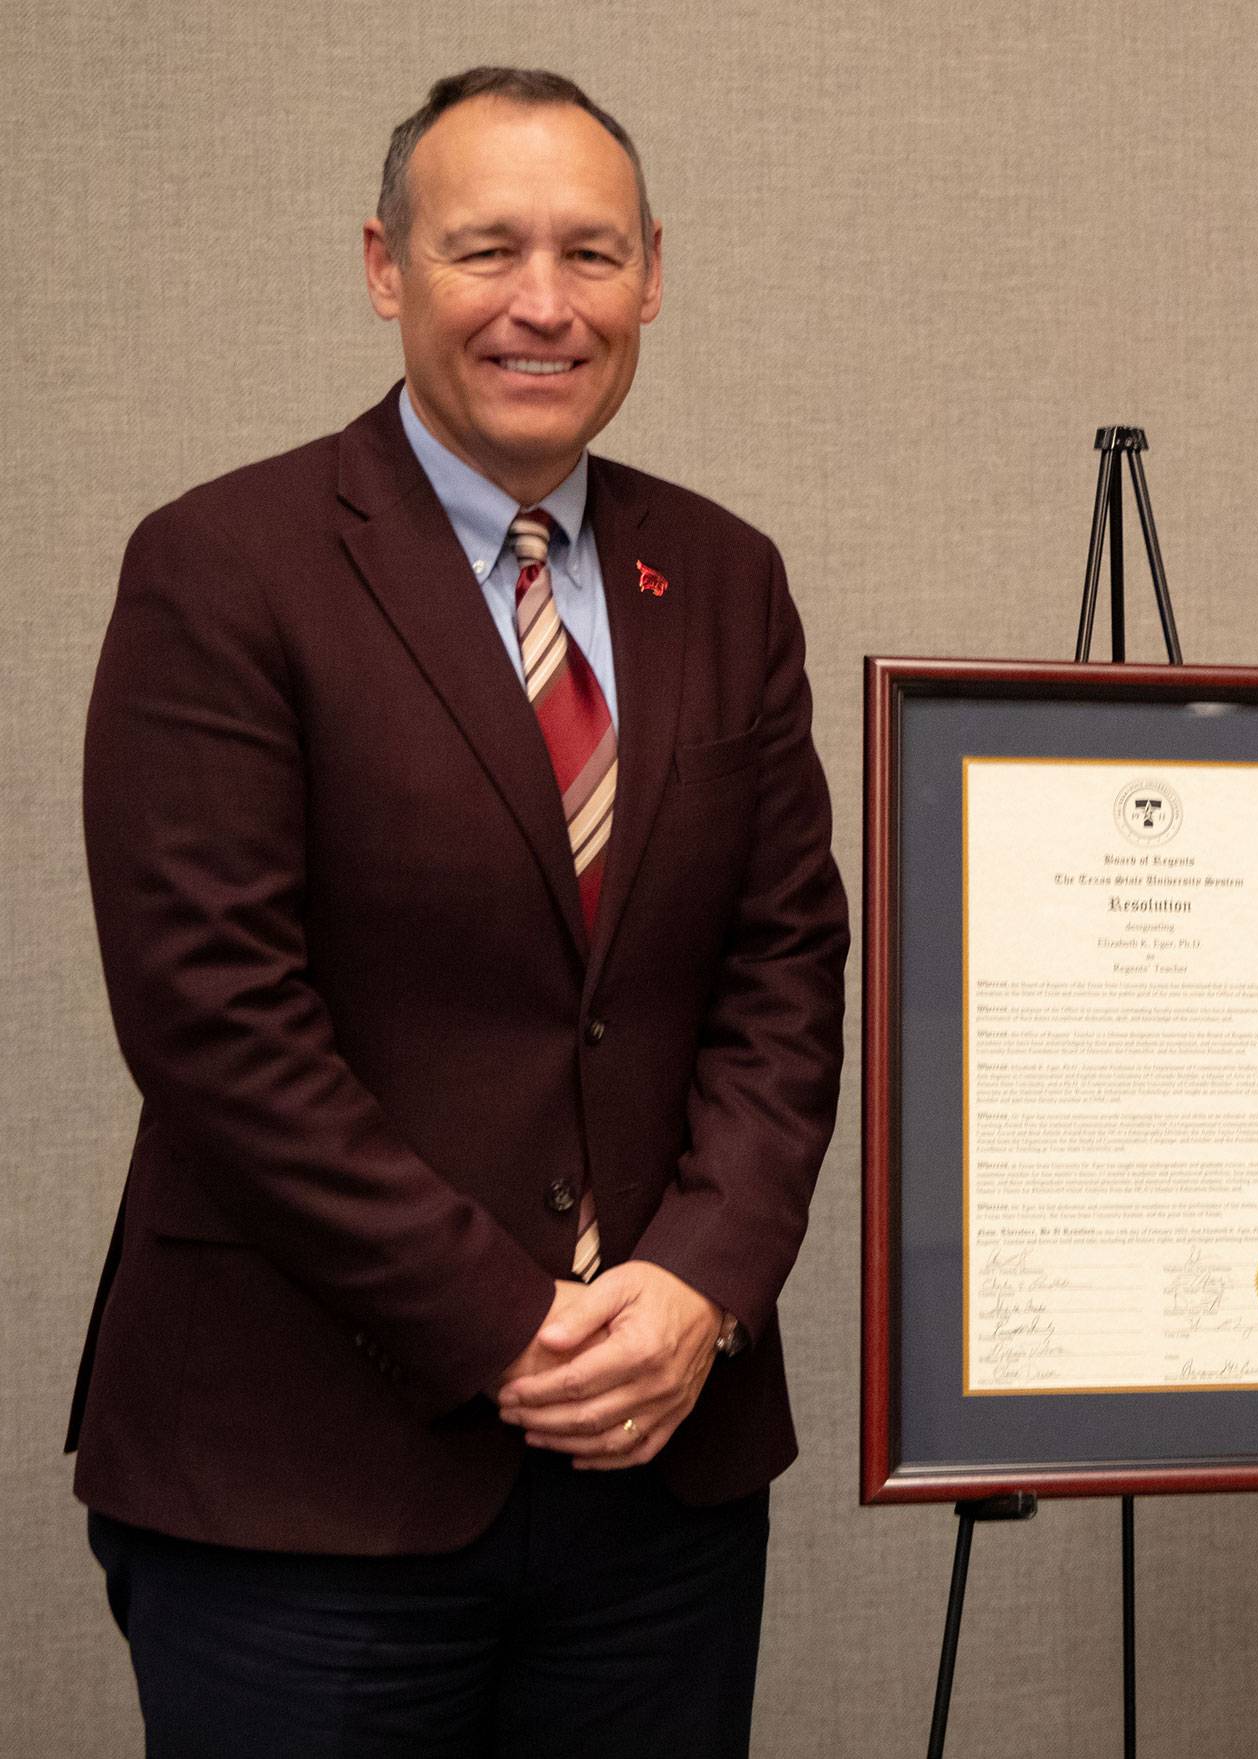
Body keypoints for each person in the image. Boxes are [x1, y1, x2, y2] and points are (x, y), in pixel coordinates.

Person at [69, 67, 848, 1757]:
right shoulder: (227, 564)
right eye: (487, 250)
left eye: (592, 253)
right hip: (304, 1481)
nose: (543, 305)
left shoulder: (724, 576)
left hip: (658, 1464)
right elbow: (215, 1019)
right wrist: (505, 1324)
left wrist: (701, 1287)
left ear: (654, 275)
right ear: (384, 267)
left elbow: (786, 966)